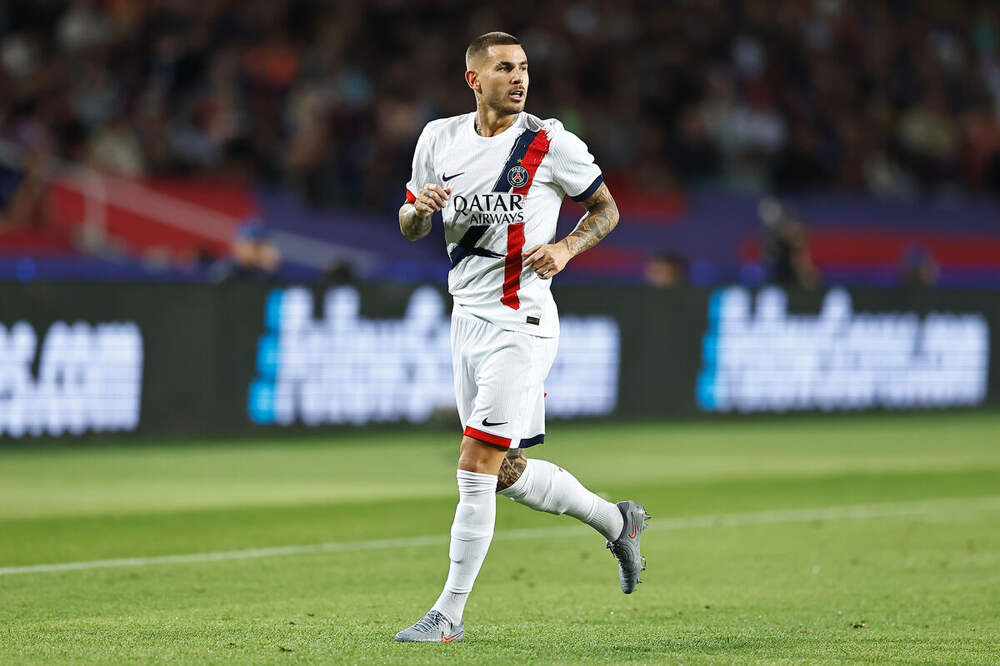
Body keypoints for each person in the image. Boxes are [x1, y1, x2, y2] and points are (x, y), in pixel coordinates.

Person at [394, 32, 648, 644]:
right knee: (505, 471)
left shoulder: (550, 142)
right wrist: (420, 211)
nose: (519, 78)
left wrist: (566, 247)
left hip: (521, 322)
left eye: (525, 68)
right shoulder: (438, 139)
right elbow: (407, 224)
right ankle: (617, 522)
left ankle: (448, 615)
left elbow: (607, 209)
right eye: (505, 68)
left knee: (475, 464)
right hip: (466, 321)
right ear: (473, 79)